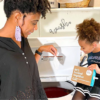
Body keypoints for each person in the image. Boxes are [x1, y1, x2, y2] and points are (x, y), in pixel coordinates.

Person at [0, 0, 57, 99]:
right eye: (33, 23)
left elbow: (25, 68)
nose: (35, 28)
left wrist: (40, 50)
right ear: (18, 17)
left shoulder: (22, 38)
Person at [72, 18, 100, 100]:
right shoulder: (90, 51)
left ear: (93, 45)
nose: (81, 49)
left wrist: (98, 70)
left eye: (83, 47)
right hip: (88, 79)